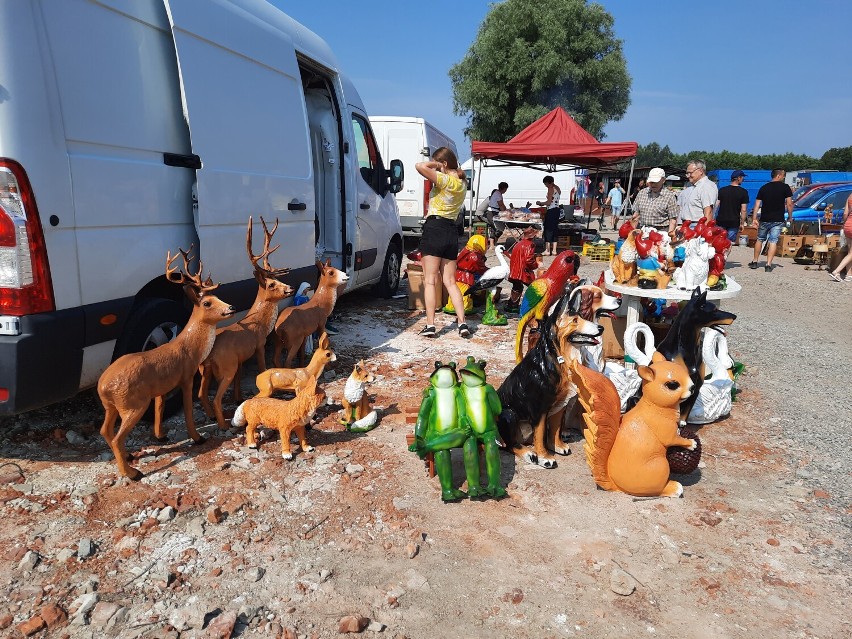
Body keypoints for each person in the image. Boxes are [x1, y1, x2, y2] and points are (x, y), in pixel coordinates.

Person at [414, 146, 471, 338]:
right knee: (450, 282)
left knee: (430, 281)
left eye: (439, 165)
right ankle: (462, 323)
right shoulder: (462, 183)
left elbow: (419, 166)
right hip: (451, 231)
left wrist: (436, 165)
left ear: (444, 164)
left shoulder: (445, 180)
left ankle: (430, 325)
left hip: (434, 228)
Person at [749, 169, 793, 273]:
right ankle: (768, 265)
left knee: (760, 239)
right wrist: (790, 217)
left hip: (765, 218)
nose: (784, 178)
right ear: (779, 176)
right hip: (778, 219)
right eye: (783, 175)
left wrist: (754, 218)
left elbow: (757, 204)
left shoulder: (764, 188)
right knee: (773, 241)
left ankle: (755, 261)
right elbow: (790, 204)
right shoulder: (785, 187)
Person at [630, 167, 679, 234]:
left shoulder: (669, 196)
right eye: (651, 182)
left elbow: (673, 220)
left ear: (663, 180)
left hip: (661, 232)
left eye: (656, 182)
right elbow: (635, 215)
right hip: (643, 230)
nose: (653, 184)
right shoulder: (642, 193)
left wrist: (669, 236)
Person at [505, 226, 539, 313]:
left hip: (515, 270)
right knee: (534, 287)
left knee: (517, 287)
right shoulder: (530, 245)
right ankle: (534, 305)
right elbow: (529, 260)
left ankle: (512, 305)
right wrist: (536, 265)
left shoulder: (518, 243)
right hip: (522, 272)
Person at [715, 170, 750, 243]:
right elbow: (743, 210)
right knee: (729, 243)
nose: (743, 179)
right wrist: (742, 223)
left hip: (721, 220)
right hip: (734, 222)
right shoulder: (743, 192)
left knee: (719, 242)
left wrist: (713, 218)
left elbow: (716, 205)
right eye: (742, 177)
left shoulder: (722, 190)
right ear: (738, 178)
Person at [828, 191, 852, 281]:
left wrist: (844, 223)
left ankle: (849, 275)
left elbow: (845, 213)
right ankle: (836, 271)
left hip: (848, 225)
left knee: (850, 252)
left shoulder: (850, 195)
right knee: (851, 253)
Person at [536, 175, 561, 255]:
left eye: (546, 184)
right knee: (554, 229)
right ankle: (554, 250)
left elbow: (549, 202)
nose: (546, 186)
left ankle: (547, 250)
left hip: (551, 210)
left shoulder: (550, 189)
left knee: (548, 230)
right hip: (557, 210)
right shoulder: (557, 188)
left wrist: (540, 203)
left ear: (548, 183)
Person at [484, 182, 509, 249]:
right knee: (496, 228)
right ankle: (492, 244)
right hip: (492, 213)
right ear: (504, 188)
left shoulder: (498, 193)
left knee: (497, 228)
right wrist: (506, 212)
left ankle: (494, 243)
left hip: (495, 212)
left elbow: (502, 205)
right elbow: (501, 205)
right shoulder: (498, 194)